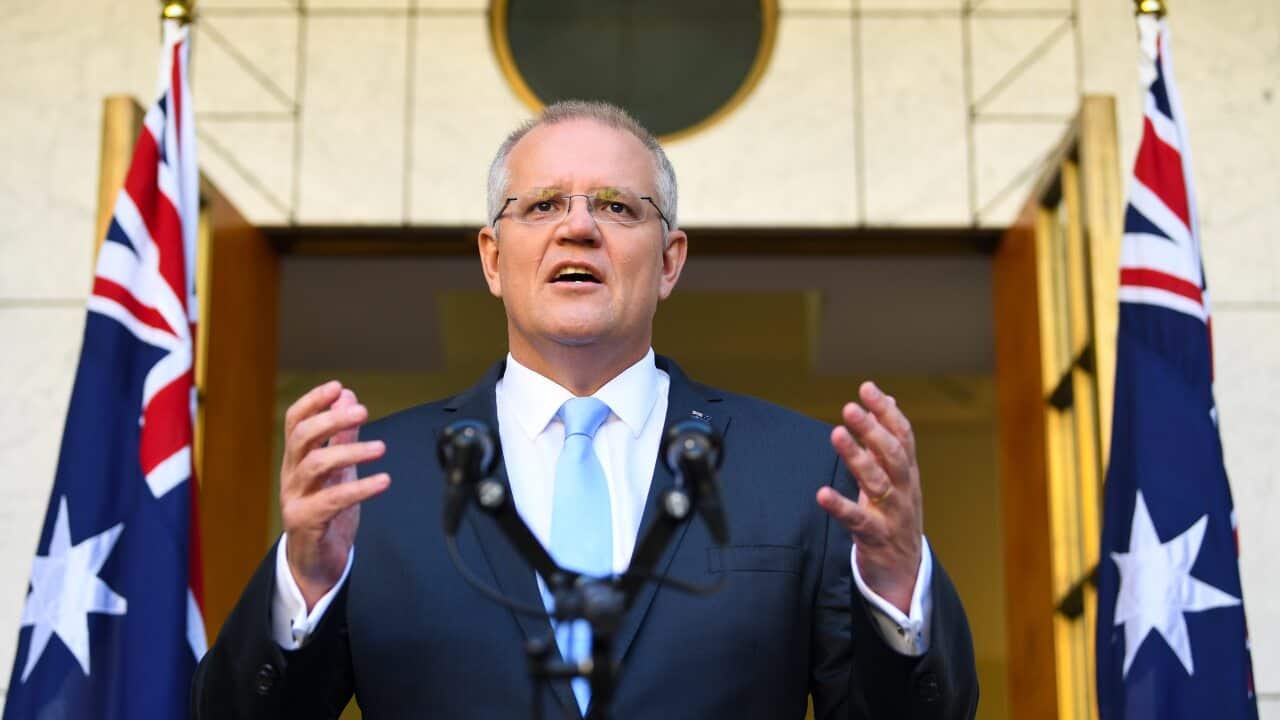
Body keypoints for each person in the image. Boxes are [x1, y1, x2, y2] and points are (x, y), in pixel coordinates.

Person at [192, 100, 978, 719]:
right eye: (540, 207)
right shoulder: (374, 484)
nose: (577, 227)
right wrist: (304, 588)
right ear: (493, 260)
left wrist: (898, 587)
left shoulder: (804, 470)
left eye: (617, 207)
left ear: (669, 261)